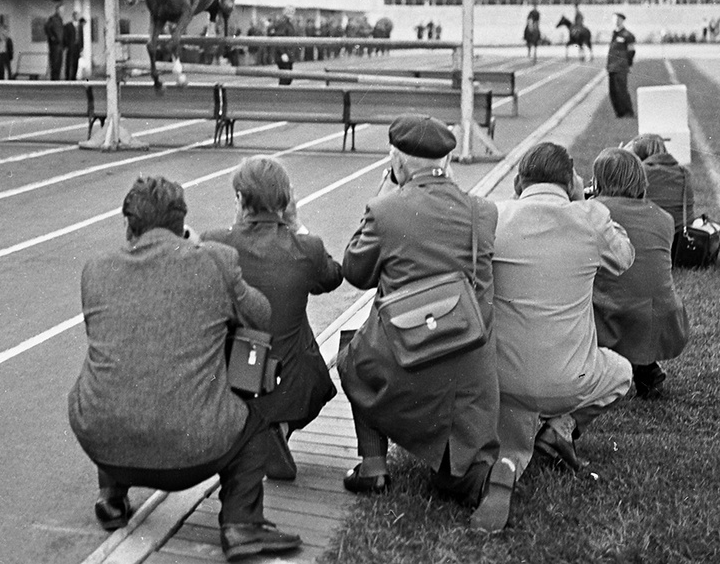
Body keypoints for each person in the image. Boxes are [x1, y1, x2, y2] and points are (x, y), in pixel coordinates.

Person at [69, 176, 303, 561]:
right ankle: (241, 521)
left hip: (104, 441)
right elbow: (261, 317)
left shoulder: (95, 270)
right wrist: (197, 250)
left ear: (128, 226)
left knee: (118, 373)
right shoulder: (213, 261)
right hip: (195, 452)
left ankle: (111, 497)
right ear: (182, 226)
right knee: (255, 411)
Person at [337, 115, 509, 530]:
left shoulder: (385, 210)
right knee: (454, 476)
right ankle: (483, 480)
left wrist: (379, 201)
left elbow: (355, 272)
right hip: (470, 371)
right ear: (447, 160)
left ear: (397, 160)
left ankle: (373, 467)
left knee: (350, 350)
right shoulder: (482, 212)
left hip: (407, 363)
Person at [491, 143, 634, 490]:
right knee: (622, 373)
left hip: (499, 380)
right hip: (569, 382)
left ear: (518, 182)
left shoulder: (493, 215)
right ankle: (560, 428)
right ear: (570, 182)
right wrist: (583, 202)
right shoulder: (590, 217)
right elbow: (624, 258)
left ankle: (515, 446)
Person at [202, 156, 343, 481]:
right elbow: (334, 276)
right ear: (286, 201)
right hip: (293, 383)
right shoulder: (307, 247)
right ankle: (277, 427)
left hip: (235, 379)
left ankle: (255, 430)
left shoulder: (216, 241)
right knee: (296, 330)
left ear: (239, 199)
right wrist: (297, 225)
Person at [590, 148, 689, 399]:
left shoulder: (592, 211)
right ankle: (646, 369)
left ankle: (602, 372)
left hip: (614, 318)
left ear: (599, 181)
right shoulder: (664, 218)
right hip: (664, 319)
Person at [626, 133, 695, 258]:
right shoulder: (685, 172)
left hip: (650, 240)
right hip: (680, 239)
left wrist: (623, 156)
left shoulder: (641, 172)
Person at [607, 12, 636, 118]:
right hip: (612, 67)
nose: (616, 21)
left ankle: (628, 112)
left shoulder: (627, 35)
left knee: (621, 90)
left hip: (621, 67)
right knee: (613, 92)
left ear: (622, 20)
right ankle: (619, 113)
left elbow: (631, 51)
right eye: (614, 19)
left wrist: (628, 63)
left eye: (618, 19)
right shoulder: (615, 33)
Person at [268, 7, 298, 86]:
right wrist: (282, 53)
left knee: (288, 77)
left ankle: (284, 95)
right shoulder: (283, 23)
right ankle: (282, 96)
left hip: (289, 54)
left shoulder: (289, 23)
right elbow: (279, 38)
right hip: (284, 54)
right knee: (285, 77)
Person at [44, 2, 66, 81]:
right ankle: (54, 79)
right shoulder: (52, 19)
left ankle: (57, 79)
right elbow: (47, 28)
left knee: (59, 63)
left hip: (60, 46)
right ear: (57, 10)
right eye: (61, 10)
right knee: (54, 62)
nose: (63, 12)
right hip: (54, 46)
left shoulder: (60, 20)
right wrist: (52, 38)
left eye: (63, 10)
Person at [62, 10, 83, 81]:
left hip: (77, 46)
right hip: (71, 46)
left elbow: (81, 36)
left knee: (76, 62)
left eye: (78, 16)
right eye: (76, 15)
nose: (77, 17)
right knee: (69, 61)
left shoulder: (80, 26)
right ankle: (67, 76)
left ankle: (74, 77)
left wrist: (81, 47)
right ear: (73, 16)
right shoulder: (69, 25)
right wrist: (67, 44)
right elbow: (65, 36)